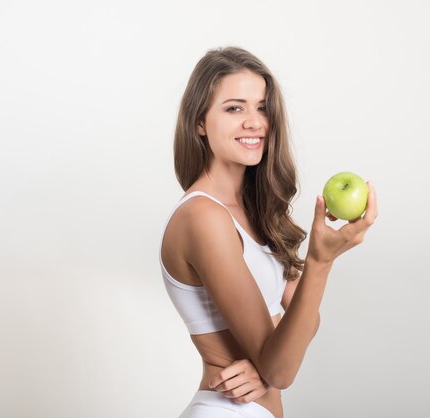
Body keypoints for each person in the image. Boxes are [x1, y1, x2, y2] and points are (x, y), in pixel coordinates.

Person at [159, 46, 378, 418]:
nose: (255, 121)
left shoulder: (254, 213)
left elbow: (304, 323)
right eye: (234, 107)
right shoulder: (202, 216)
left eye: (262, 107)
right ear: (199, 121)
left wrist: (265, 365)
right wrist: (320, 262)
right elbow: (282, 367)